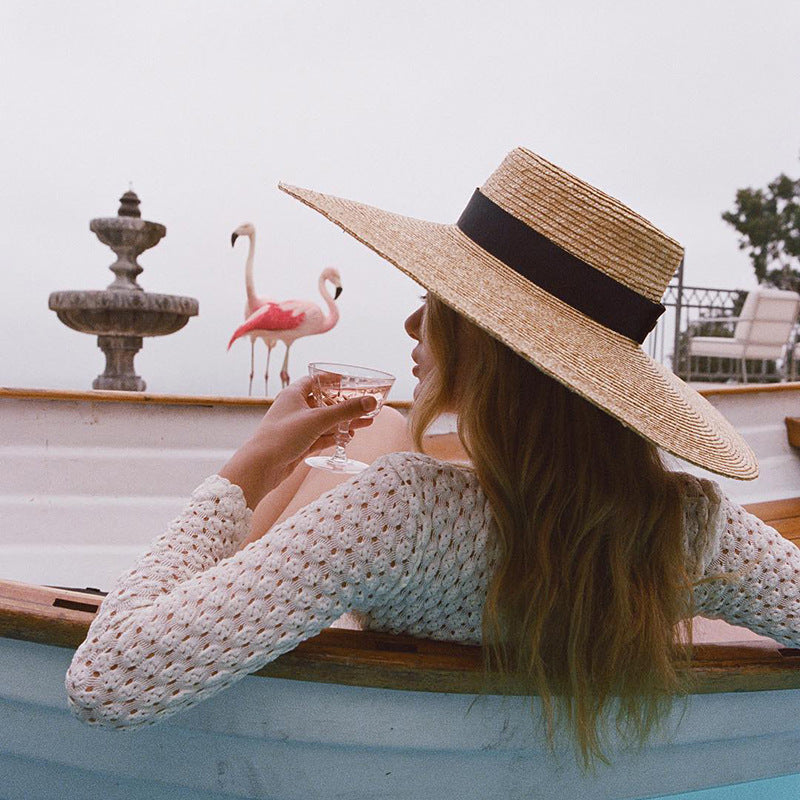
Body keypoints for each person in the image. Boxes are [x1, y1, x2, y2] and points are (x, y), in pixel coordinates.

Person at [65, 147, 800, 767]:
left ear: (498, 349)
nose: (414, 320)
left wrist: (252, 464)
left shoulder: (401, 509)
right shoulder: (690, 528)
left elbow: (107, 680)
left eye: (441, 303)